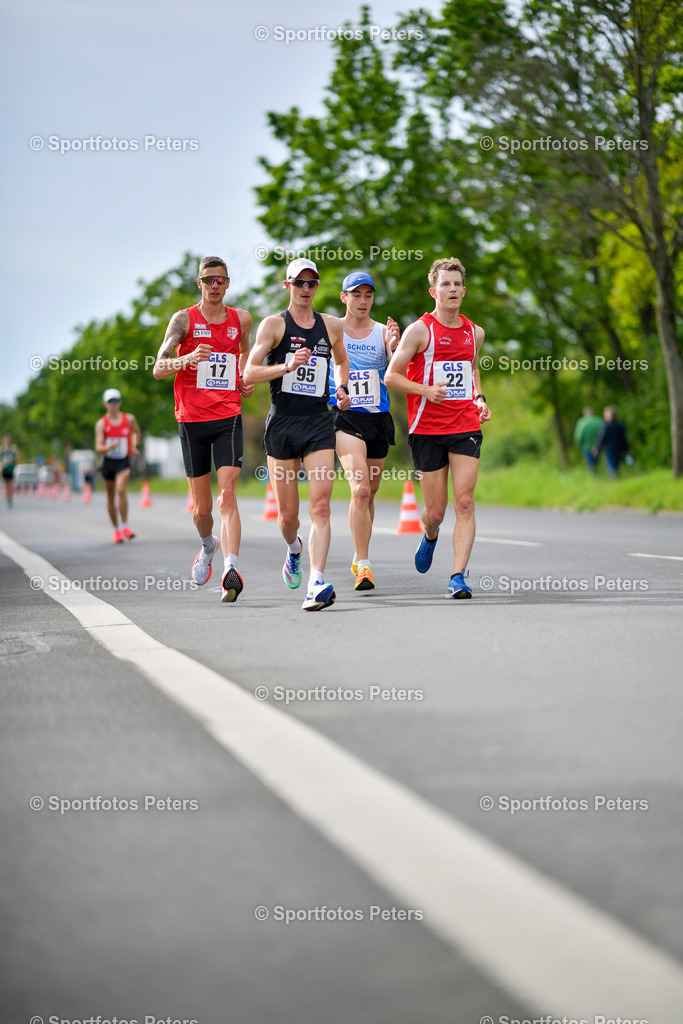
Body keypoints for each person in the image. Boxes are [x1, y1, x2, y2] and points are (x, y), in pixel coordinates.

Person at [243, 257, 350, 611]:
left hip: (319, 422)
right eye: (299, 283)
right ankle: (294, 549)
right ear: (287, 286)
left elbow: (341, 360)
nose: (306, 289)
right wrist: (287, 365)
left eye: (312, 283)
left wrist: (343, 388)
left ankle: (315, 581)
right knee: (289, 518)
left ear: (317, 287)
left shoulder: (332, 326)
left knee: (321, 506)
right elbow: (248, 373)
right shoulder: (274, 325)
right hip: (283, 423)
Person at [385, 256, 491, 599]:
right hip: (426, 428)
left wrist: (480, 399)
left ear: (464, 290)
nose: (453, 289)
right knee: (435, 512)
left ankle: (458, 575)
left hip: (465, 424)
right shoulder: (420, 330)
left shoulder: (475, 332)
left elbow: (471, 370)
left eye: (458, 284)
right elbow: (392, 376)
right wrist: (425, 391)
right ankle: (430, 535)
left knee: (464, 502)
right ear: (434, 291)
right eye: (446, 284)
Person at [153, 257, 253, 602]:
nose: (215, 285)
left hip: (228, 416)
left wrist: (241, 379)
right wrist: (188, 358)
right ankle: (208, 545)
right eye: (209, 279)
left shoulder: (241, 319)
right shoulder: (183, 320)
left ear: (227, 284)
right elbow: (159, 369)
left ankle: (231, 569)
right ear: (200, 283)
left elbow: (243, 355)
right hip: (192, 419)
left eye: (221, 280)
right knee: (203, 510)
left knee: (228, 496)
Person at [328, 271, 399, 591]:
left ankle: (360, 556)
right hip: (346, 420)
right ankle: (364, 564)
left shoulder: (384, 332)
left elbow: (399, 372)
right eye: (356, 295)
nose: (363, 301)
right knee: (358, 490)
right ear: (344, 297)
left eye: (368, 295)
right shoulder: (332, 330)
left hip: (378, 419)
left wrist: (395, 348)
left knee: (369, 493)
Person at [95, 389, 141, 543]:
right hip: (108, 463)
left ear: (120, 402)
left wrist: (134, 446)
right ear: (105, 404)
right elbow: (98, 447)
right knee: (110, 496)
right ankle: (116, 530)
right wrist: (109, 447)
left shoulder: (129, 419)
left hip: (123, 461)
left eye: (116, 401)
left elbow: (136, 432)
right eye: (110, 402)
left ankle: (125, 526)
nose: (113, 405)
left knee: (121, 489)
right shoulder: (101, 424)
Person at [593, 406, 630, 478]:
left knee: (611, 464)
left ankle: (614, 478)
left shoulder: (606, 425)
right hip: (619, 448)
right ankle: (616, 477)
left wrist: (597, 447)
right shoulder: (620, 424)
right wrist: (626, 450)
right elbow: (624, 439)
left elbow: (601, 438)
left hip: (609, 448)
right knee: (616, 464)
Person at [574, 406, 603, 471]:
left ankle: (593, 476)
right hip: (597, 446)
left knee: (590, 463)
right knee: (596, 462)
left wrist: (579, 445)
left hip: (586, 446)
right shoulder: (599, 420)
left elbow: (579, 436)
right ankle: (598, 474)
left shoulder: (582, 422)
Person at [1, 435, 18, 508]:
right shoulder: (2, 449)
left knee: (10, 484)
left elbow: (17, 458)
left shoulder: (12, 449)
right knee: (5, 485)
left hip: (10, 468)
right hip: (4, 468)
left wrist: (16, 451)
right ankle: (8, 499)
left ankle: (10, 499)